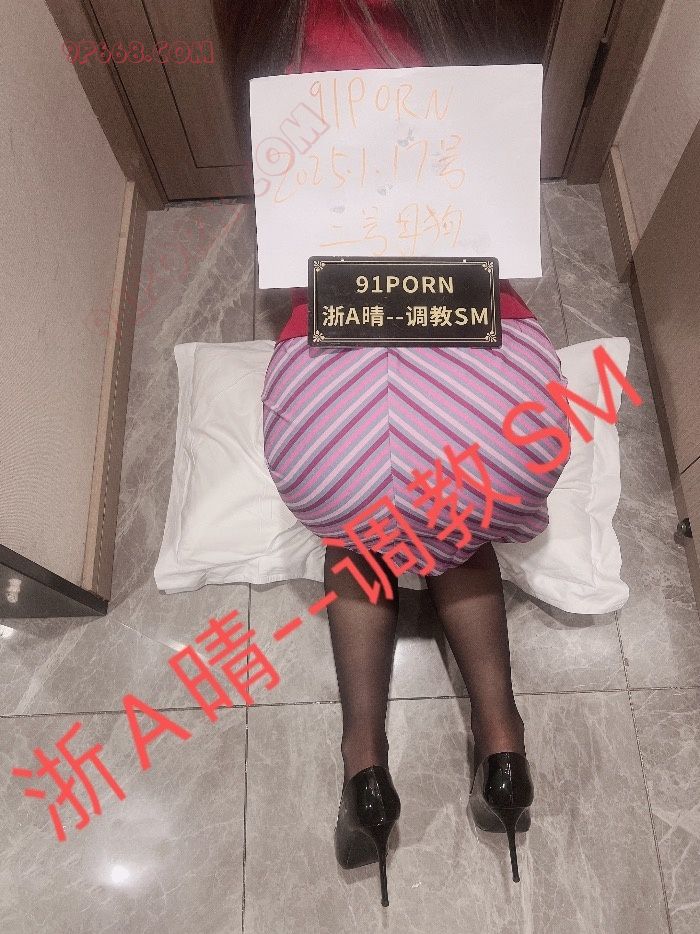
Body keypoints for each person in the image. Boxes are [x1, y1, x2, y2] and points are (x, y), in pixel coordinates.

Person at [222, 0, 570, 907]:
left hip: (331, 427)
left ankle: (364, 769)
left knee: (362, 539)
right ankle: (503, 749)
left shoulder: (282, 30)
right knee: (459, 525)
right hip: (495, 417)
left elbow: (285, 225)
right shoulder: (482, 22)